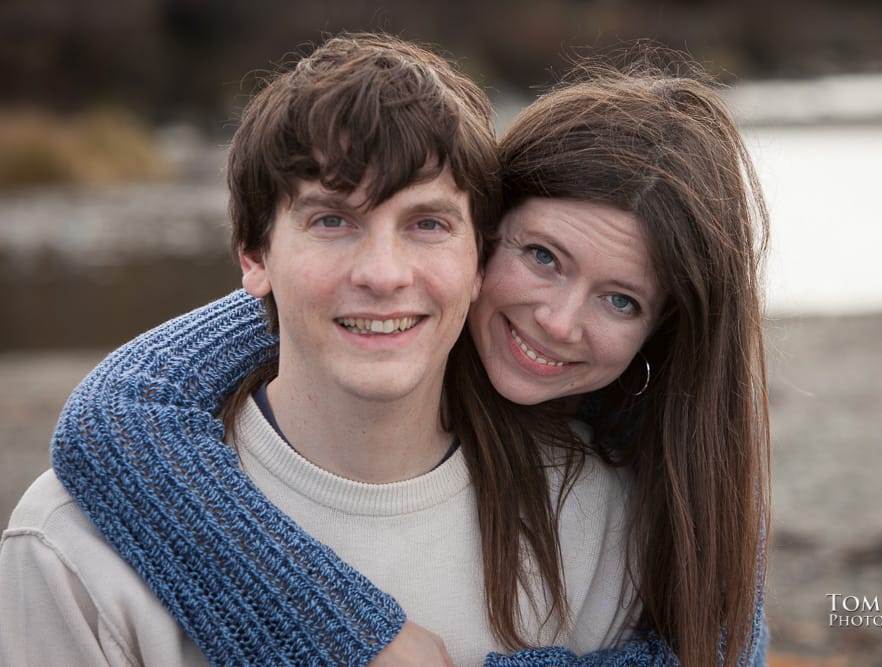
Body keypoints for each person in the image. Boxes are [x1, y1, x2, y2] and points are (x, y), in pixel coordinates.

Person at [5, 40, 772, 667]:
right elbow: (128, 403)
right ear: (252, 253)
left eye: (428, 224)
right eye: (332, 220)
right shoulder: (76, 539)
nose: (381, 273)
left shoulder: (622, 520)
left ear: (472, 251)